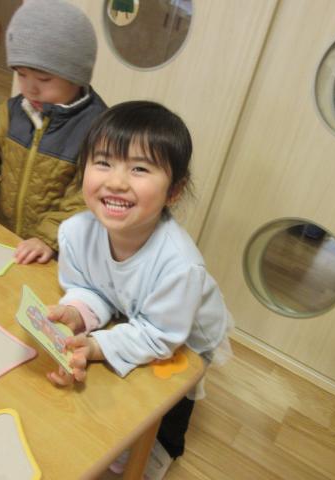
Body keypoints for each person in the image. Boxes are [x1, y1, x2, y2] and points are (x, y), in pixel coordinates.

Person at [45, 101, 232, 479]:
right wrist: (77, 311)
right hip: (131, 305)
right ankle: (132, 436)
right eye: (103, 162)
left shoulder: (180, 266)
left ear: (174, 191)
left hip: (186, 332)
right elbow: (88, 286)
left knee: (173, 394)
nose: (116, 181)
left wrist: (96, 346)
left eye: (140, 169)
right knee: (128, 382)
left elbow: (160, 335)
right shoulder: (75, 233)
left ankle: (165, 447)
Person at [0, 0, 107, 264]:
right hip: (5, 236)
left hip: (57, 254)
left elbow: (89, 200)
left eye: (44, 79)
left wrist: (48, 239)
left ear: (77, 76)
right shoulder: (11, 113)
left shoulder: (98, 131)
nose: (30, 89)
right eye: (21, 75)